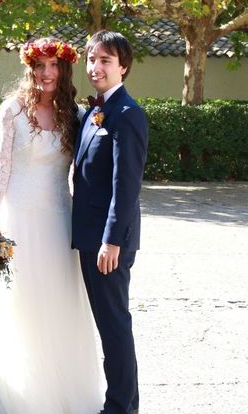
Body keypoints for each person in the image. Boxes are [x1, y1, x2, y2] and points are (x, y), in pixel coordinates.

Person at [0, 37, 103, 414]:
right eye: (39, 66)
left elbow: (86, 171)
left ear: (64, 70)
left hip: (59, 217)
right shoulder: (13, 110)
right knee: (23, 307)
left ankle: (61, 392)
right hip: (19, 218)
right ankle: (23, 396)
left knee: (59, 304)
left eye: (53, 66)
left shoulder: (73, 115)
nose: (46, 73)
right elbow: (0, 168)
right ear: (30, 70)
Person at [71, 30, 149, 414]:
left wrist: (112, 241)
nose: (96, 67)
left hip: (109, 243)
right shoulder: (93, 112)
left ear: (123, 67)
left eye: (105, 60)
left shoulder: (128, 114)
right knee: (107, 324)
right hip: (88, 237)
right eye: (91, 59)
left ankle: (120, 407)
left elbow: (126, 185)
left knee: (115, 325)